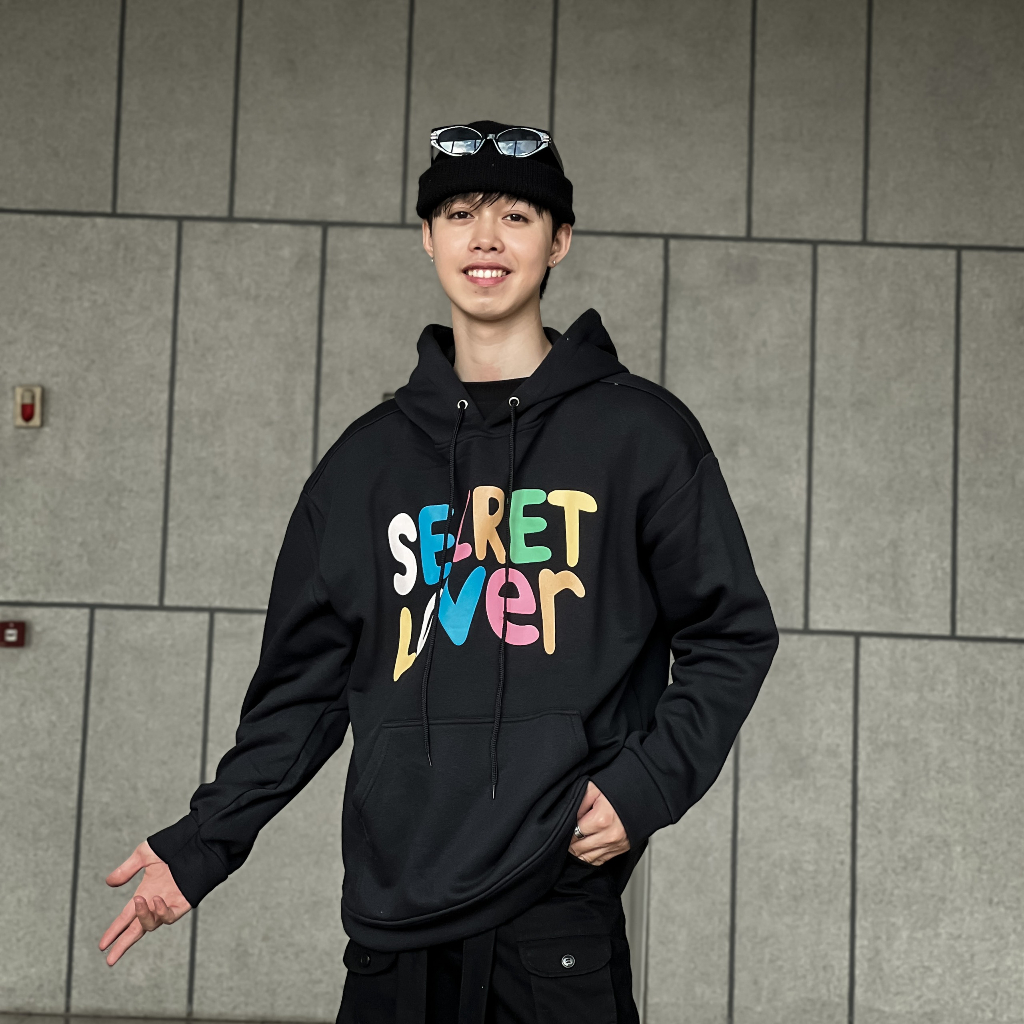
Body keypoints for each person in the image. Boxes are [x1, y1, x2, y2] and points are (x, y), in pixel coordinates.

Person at [98, 119, 779, 1023]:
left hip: (554, 917)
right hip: (392, 921)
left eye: (516, 216)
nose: (485, 238)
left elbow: (732, 632)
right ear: (427, 237)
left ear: (559, 241)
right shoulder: (366, 464)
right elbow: (302, 692)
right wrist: (203, 844)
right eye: (459, 214)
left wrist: (647, 785)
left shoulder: (638, 436)